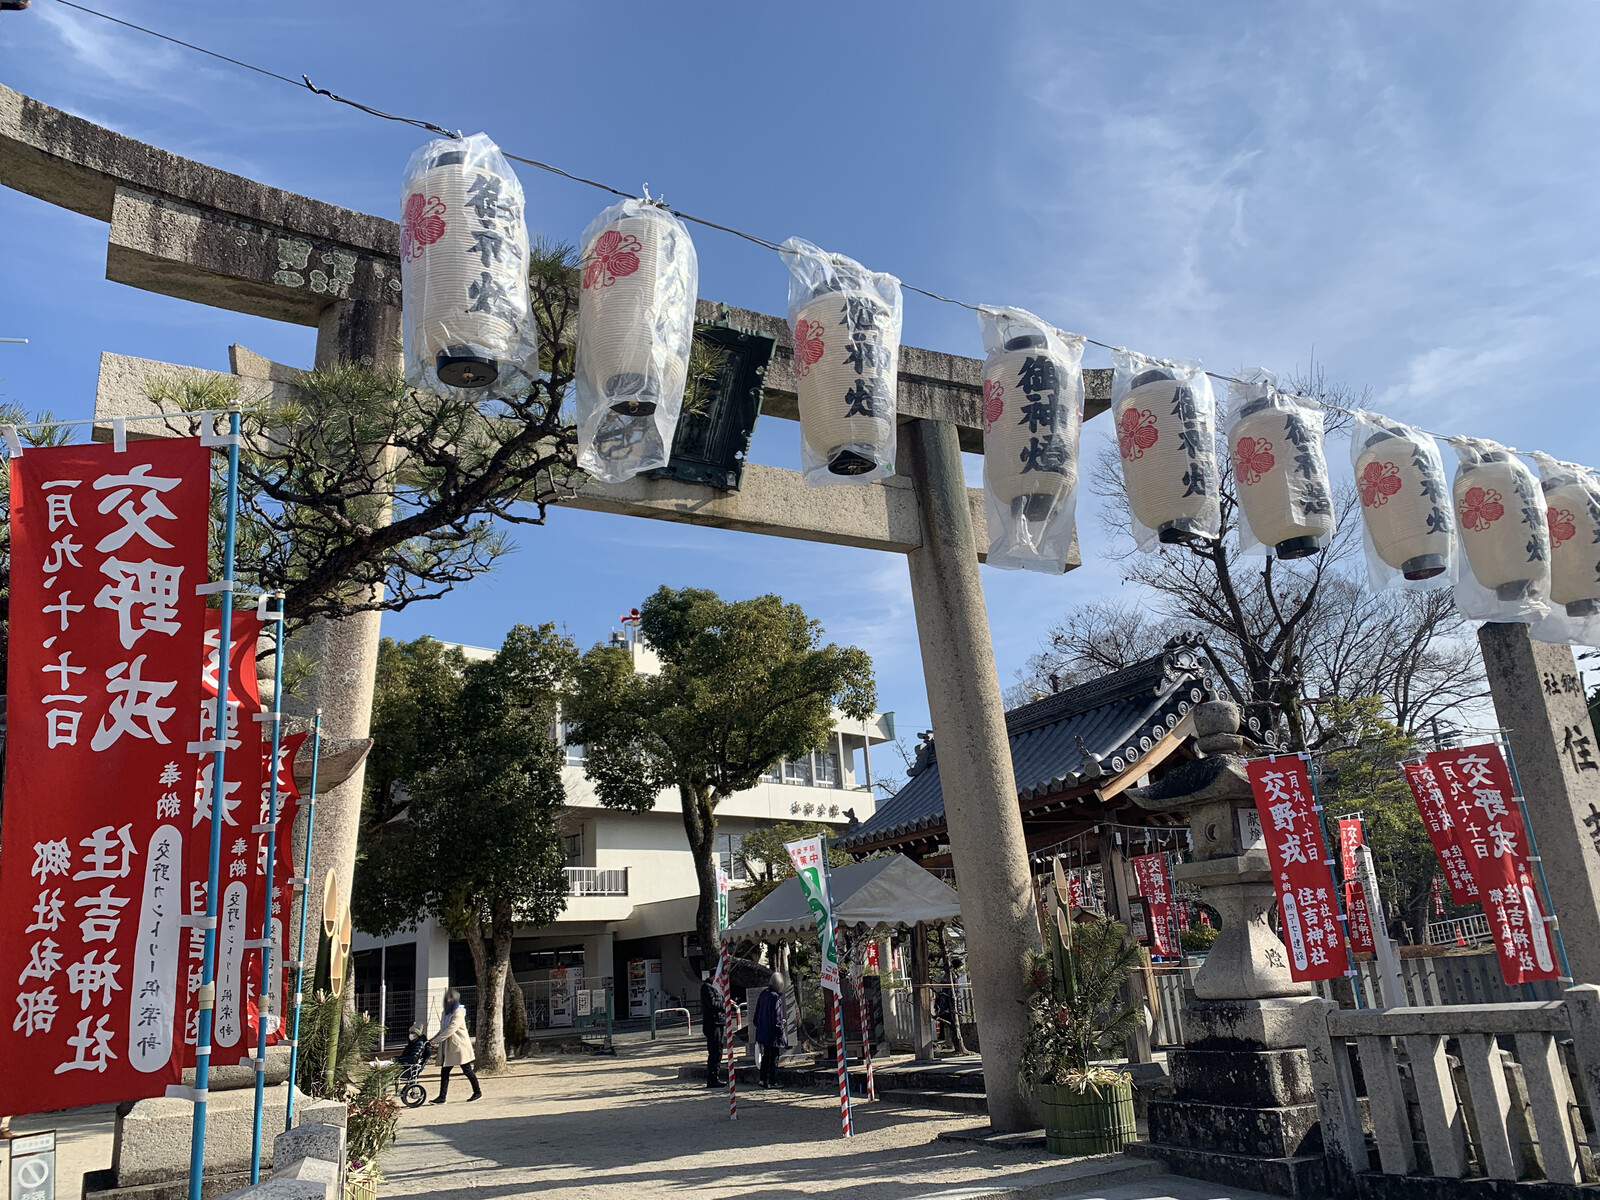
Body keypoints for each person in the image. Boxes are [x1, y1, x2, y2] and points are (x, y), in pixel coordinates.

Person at [428, 989, 482, 1103]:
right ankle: (442, 1097)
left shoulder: (458, 1012)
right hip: (449, 1048)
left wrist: (436, 1040)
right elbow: (443, 1029)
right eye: (447, 997)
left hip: (459, 1047)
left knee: (467, 1070)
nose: (448, 1000)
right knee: (445, 1072)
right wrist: (433, 1039)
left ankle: (477, 1092)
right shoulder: (445, 1013)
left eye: (451, 997)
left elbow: (451, 1029)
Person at [753, 972, 787, 1089]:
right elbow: (777, 1018)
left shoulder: (763, 994)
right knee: (774, 1057)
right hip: (773, 1033)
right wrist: (781, 1032)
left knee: (766, 1056)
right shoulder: (775, 998)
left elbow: (756, 1015)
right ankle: (773, 1081)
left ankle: (762, 1079)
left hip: (763, 1031)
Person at [699, 971, 724, 1088]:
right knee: (714, 1051)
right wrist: (724, 1005)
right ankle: (712, 1079)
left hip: (718, 1021)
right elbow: (712, 1004)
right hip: (712, 1023)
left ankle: (715, 1076)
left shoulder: (715, 988)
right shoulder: (707, 988)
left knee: (718, 1050)